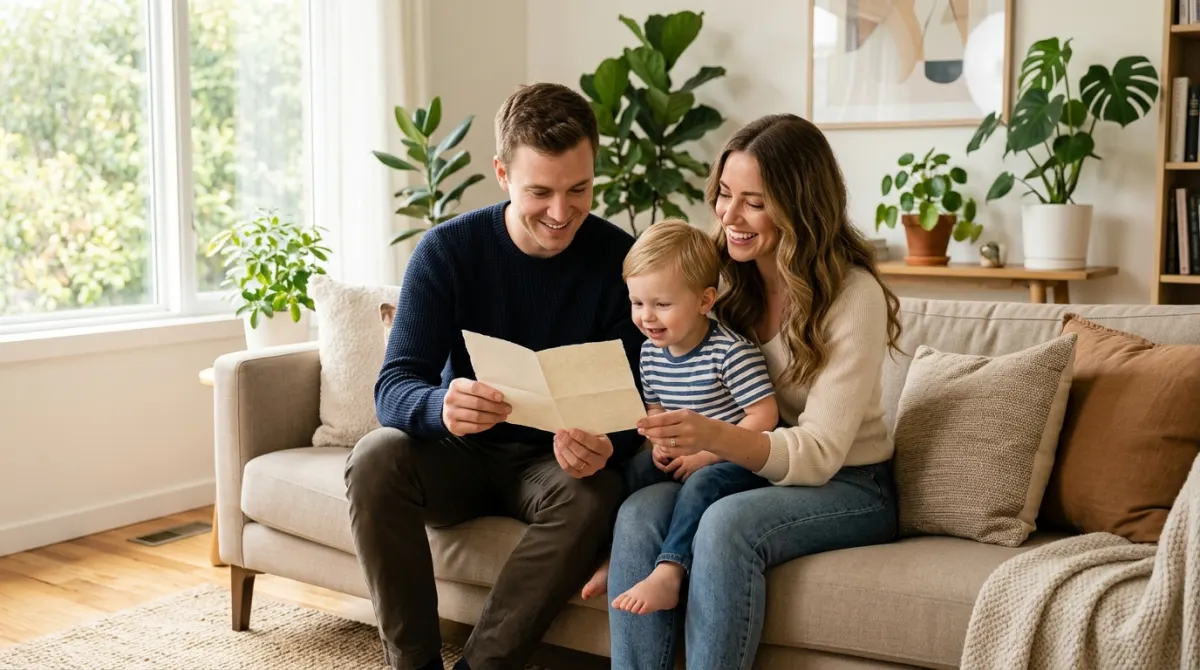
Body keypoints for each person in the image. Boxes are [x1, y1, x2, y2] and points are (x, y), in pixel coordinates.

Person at [344, 82, 645, 670]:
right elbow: (395, 385)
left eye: (579, 189)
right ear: (502, 173)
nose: (562, 214)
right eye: (540, 192)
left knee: (597, 493)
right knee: (375, 457)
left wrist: (611, 444)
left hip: (555, 467)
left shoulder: (621, 262)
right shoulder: (447, 252)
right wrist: (440, 407)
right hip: (462, 453)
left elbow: (642, 400)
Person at [606, 113, 905, 670]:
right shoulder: (720, 277)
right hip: (740, 468)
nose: (729, 216)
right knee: (640, 512)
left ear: (799, 205)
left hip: (849, 483)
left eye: (754, 202)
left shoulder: (850, 295)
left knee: (726, 527)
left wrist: (713, 439)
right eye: (724, 194)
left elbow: (818, 453)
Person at [578, 220, 779, 613]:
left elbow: (765, 415)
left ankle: (670, 571)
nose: (647, 317)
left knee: (701, 487)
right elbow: (655, 407)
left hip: (733, 461)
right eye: (637, 303)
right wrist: (658, 444)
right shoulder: (651, 352)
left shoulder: (731, 353)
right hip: (682, 454)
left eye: (662, 304)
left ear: (705, 301)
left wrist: (708, 454)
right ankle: (611, 555)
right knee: (627, 472)